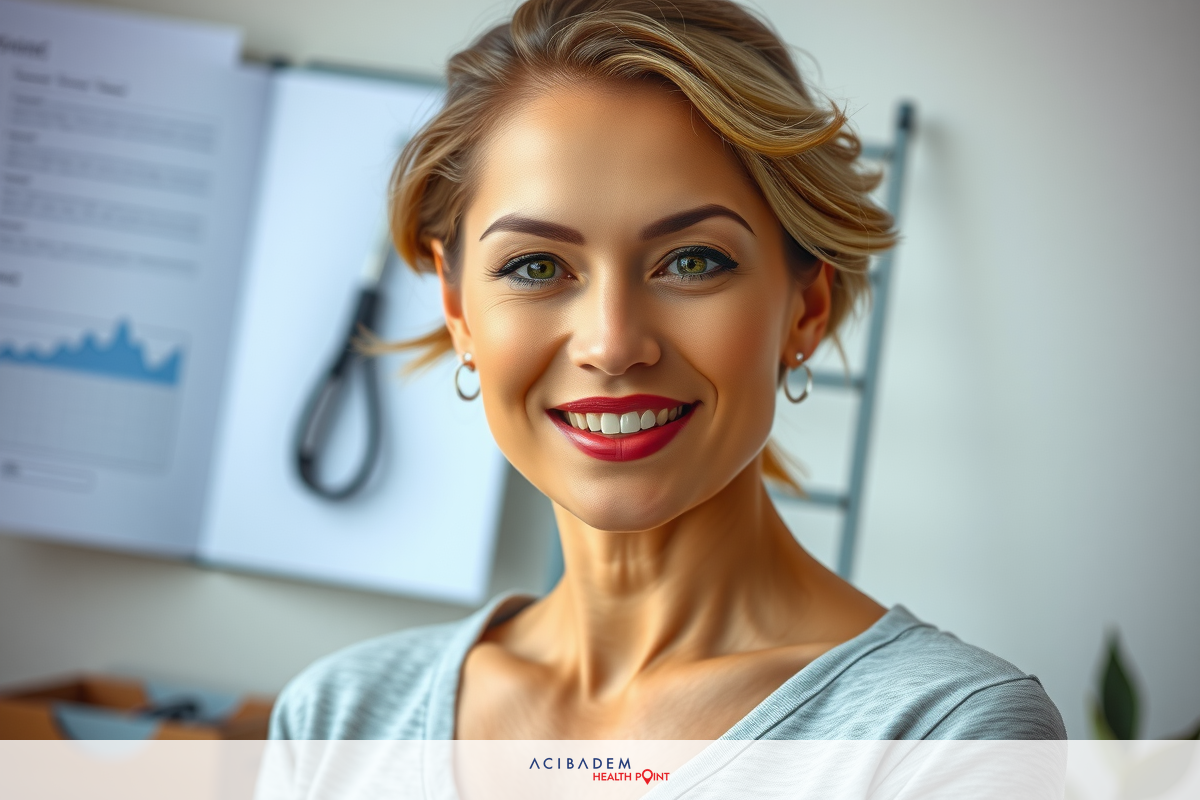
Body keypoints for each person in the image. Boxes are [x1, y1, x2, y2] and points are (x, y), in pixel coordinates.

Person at [269, 0, 1065, 742]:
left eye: (692, 261)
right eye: (538, 266)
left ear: (806, 308)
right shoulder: (336, 719)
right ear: (456, 306)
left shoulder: (942, 734)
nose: (613, 345)